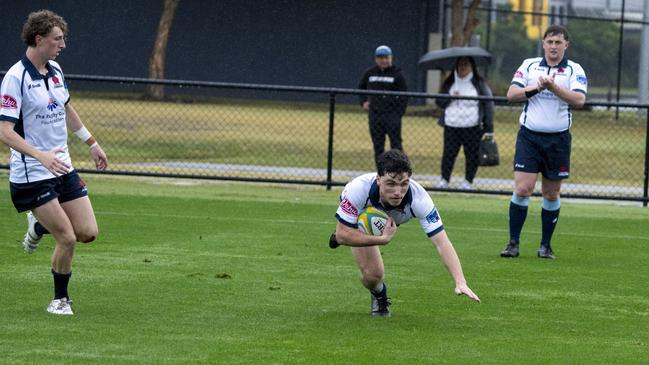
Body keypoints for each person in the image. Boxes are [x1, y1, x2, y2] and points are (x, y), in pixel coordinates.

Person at [0, 10, 108, 315]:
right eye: (58, 39)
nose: (63, 45)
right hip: (32, 174)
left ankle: (38, 224)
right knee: (67, 237)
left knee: (88, 232)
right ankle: (59, 300)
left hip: (63, 168)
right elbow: (4, 133)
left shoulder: (56, 70)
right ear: (39, 39)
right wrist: (41, 155)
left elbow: (67, 109)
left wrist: (92, 143)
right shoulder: (14, 78)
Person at [328, 149, 480, 317]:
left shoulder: (419, 199)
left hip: (388, 219)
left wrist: (461, 281)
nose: (398, 192)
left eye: (404, 184)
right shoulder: (358, 189)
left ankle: (359, 237)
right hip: (360, 213)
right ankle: (380, 294)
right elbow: (343, 234)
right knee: (373, 276)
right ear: (378, 180)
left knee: (372, 271)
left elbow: (441, 242)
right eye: (391, 184)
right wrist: (381, 239)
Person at [500, 25, 587, 259]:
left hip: (558, 140)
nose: (554, 47)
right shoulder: (529, 65)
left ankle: (545, 245)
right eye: (550, 42)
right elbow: (511, 95)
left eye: (559, 42)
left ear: (566, 45)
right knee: (523, 188)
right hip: (529, 137)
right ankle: (513, 243)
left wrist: (554, 87)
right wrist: (537, 87)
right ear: (543, 43)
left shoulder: (574, 69)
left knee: (551, 193)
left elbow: (579, 99)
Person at [435, 56, 494, 190]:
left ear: (472, 66)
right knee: (448, 154)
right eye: (460, 64)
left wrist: (488, 127)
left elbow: (488, 105)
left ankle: (468, 181)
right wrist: (450, 97)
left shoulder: (479, 83)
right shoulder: (450, 82)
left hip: (472, 126)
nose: (462, 67)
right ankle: (444, 180)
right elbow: (439, 102)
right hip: (451, 125)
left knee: (471, 155)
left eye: (466, 64)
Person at [358, 45, 408, 168]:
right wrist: (363, 102)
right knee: (378, 146)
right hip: (375, 115)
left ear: (391, 58)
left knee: (396, 146)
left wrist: (398, 113)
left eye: (386, 57)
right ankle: (381, 172)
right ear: (376, 59)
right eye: (381, 58)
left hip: (392, 116)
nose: (384, 60)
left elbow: (405, 95)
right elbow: (361, 87)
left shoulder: (397, 74)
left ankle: (399, 170)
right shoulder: (370, 73)